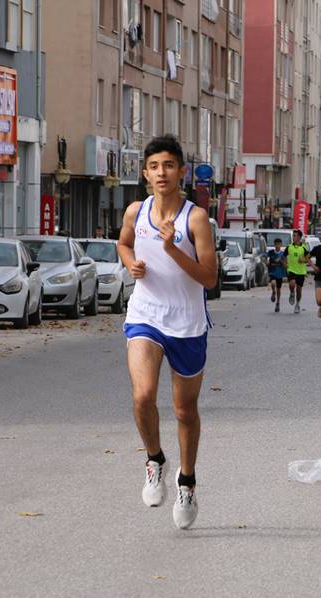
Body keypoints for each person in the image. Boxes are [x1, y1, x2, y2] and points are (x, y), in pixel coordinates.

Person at [117, 135, 217, 530]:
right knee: (142, 395)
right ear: (146, 173)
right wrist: (131, 264)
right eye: (155, 166)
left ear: (181, 172)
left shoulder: (196, 219)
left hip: (187, 323)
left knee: (183, 411)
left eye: (169, 166)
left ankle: (187, 480)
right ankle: (155, 459)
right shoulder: (135, 211)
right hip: (145, 314)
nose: (162, 173)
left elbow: (209, 279)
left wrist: (174, 249)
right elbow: (123, 244)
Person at [284, 230, 310, 313]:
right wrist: (285, 264)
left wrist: (303, 260)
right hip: (291, 270)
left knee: (299, 289)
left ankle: (297, 304)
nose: (293, 237)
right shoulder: (289, 247)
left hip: (301, 271)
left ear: (299, 237)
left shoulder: (304, 248)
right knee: (292, 284)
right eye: (293, 236)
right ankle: (292, 293)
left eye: (294, 236)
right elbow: (284, 256)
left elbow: (308, 259)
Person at [266, 238, 287, 313]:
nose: (277, 246)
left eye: (279, 244)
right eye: (276, 244)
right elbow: (266, 260)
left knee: (279, 289)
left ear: (281, 245)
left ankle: (278, 302)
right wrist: (267, 263)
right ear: (274, 245)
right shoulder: (270, 252)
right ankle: (273, 292)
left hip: (280, 273)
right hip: (272, 271)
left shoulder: (283, 254)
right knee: (273, 283)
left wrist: (281, 261)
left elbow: (285, 265)